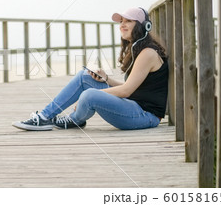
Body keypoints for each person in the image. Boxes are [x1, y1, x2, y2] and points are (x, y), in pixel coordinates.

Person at [12, 7, 168, 131]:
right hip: (133, 105)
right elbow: (133, 88)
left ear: (144, 26)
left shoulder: (148, 53)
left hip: (145, 116)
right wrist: (106, 79)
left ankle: (75, 119)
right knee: (84, 76)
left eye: (128, 21)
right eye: (121, 21)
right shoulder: (138, 48)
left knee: (89, 96)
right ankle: (45, 117)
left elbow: (126, 91)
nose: (122, 25)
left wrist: (85, 97)